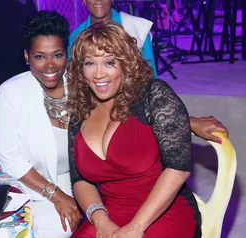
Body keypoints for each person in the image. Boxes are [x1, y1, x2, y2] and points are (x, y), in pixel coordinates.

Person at [67, 22, 201, 237]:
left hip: (161, 212)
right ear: (80, 71)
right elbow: (80, 180)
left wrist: (137, 226)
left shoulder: (152, 95)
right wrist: (100, 219)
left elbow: (179, 167)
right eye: (90, 63)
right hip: (108, 216)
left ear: (125, 64)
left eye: (109, 62)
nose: (99, 74)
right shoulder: (79, 113)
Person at [69, 0, 228, 143]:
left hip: (132, 111)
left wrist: (185, 121)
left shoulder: (135, 27)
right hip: (94, 115)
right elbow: (77, 84)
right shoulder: (75, 36)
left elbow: (149, 83)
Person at [0, 11, 81, 238]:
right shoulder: (11, 91)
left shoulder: (81, 86)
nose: (49, 65)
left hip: (62, 174)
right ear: (27, 56)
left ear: (66, 54)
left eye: (57, 55)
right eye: (39, 56)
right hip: (13, 173)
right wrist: (56, 195)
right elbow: (10, 158)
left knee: (61, 229)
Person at [69, 0, 158, 78]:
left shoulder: (136, 28)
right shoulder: (76, 36)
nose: (98, 0)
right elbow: (73, 77)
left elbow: (151, 76)